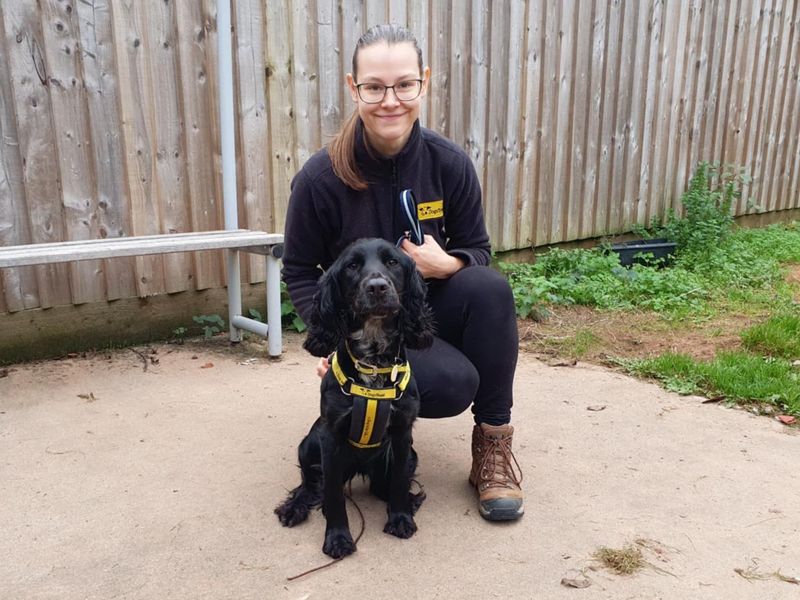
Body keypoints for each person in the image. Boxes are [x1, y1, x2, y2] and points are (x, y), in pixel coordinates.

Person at [282, 24, 523, 521]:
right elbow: (301, 268)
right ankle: (366, 431)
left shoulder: (449, 163)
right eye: (374, 87)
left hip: (423, 310)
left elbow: (478, 248)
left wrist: (452, 262)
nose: (390, 100)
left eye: (404, 84)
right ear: (354, 88)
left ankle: (493, 450)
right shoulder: (320, 179)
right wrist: (329, 342)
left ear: (424, 82)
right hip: (365, 330)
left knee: (489, 288)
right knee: (454, 383)